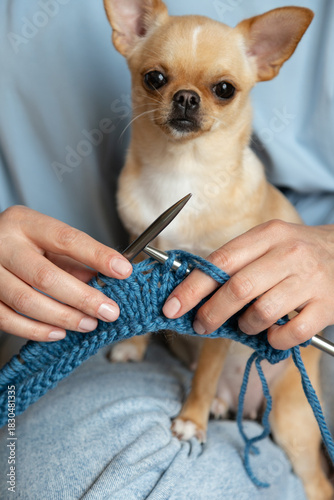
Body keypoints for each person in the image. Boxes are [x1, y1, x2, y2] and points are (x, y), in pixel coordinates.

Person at [0, 1, 333, 498]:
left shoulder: (248, 201)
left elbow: (236, 302)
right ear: (129, 35)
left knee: (305, 464)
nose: (186, 100)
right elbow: (141, 262)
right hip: (168, 345)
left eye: (220, 90)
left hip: (274, 363)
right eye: (159, 80)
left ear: (264, 61)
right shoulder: (133, 191)